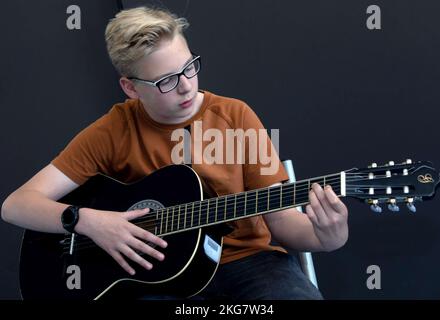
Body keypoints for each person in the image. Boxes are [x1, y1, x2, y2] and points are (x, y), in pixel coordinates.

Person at [1, 6, 348, 300]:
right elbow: (16, 205)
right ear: (131, 87)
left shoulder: (235, 116)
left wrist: (327, 236)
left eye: (189, 67)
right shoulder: (113, 131)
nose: (185, 85)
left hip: (249, 264)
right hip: (158, 276)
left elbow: (283, 221)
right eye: (166, 81)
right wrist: (91, 222)